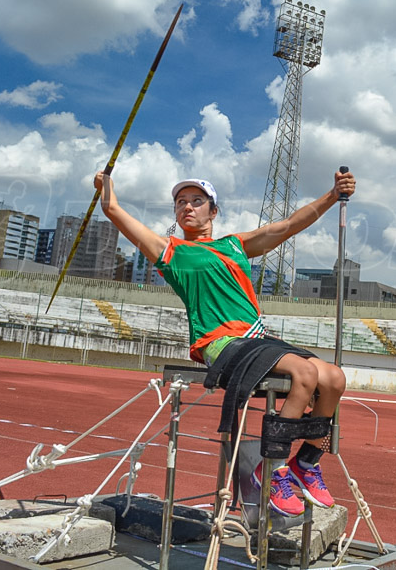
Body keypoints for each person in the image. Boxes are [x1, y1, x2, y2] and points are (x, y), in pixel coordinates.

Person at [95, 168, 355, 517]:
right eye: (181, 203)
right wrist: (105, 186)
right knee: (305, 373)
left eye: (197, 201)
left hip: (258, 338)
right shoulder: (170, 251)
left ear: (212, 212)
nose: (187, 207)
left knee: (334, 378)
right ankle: (273, 469)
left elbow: (290, 225)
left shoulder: (235, 245)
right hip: (218, 342)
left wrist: (333, 193)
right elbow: (113, 210)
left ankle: (305, 463)